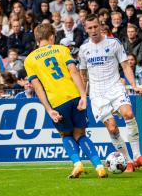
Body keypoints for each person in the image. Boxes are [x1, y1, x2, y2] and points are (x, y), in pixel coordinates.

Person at [24, 23, 107, 178]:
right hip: (74, 96)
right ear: (51, 37)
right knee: (80, 134)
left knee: (66, 135)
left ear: (37, 39)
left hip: (57, 101)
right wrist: (83, 95)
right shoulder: (62, 50)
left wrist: (49, 110)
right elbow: (74, 72)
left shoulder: (29, 60)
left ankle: (77, 164)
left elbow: (37, 87)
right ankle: (99, 166)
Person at [79, 14, 142, 173]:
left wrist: (134, 85)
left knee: (128, 113)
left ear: (100, 25)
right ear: (86, 29)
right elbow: (83, 76)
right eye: (89, 28)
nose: (93, 30)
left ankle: (138, 156)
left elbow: (126, 66)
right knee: (112, 128)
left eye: (95, 26)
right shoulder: (84, 49)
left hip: (115, 87)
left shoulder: (114, 43)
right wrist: (82, 97)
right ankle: (128, 162)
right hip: (97, 94)